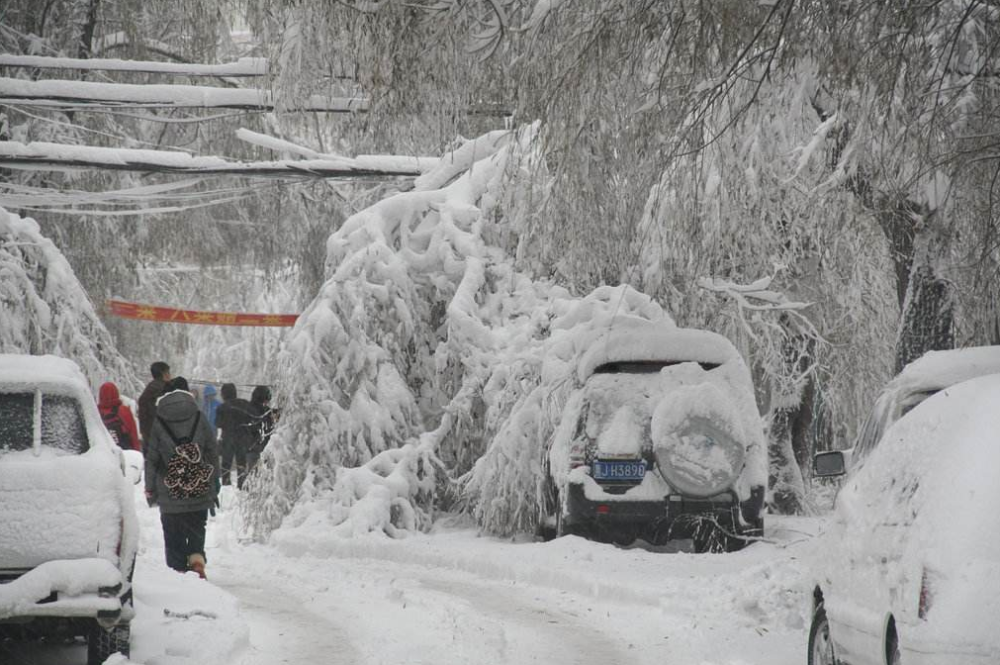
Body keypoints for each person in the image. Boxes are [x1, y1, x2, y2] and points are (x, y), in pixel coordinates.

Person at [144, 376, 219, 579]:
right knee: (196, 529)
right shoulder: (199, 417)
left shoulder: (159, 422)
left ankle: (177, 573)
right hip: (198, 488)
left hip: (170, 492)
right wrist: (213, 482)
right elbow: (212, 451)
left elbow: (152, 458)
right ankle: (196, 562)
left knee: (173, 534)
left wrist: (150, 488)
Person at [214, 383, 254, 488]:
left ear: (224, 394)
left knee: (226, 463)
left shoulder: (222, 408)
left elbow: (218, 423)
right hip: (243, 437)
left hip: (228, 438)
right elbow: (251, 419)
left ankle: (226, 484)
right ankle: (242, 484)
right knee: (242, 462)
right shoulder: (245, 404)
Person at [137, 361, 172, 453]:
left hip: (150, 436)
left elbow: (142, 413)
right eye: (168, 372)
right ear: (164, 373)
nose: (170, 375)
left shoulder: (149, 389)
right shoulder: (166, 390)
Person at [97, 381, 141, 451]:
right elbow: (133, 434)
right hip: (126, 454)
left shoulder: (96, 412)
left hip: (105, 455)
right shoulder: (124, 410)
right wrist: (137, 452)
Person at [246, 385, 275, 478]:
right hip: (260, 447)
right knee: (259, 476)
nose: (268, 402)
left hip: (250, 448)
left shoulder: (247, 408)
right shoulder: (264, 411)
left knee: (253, 475)